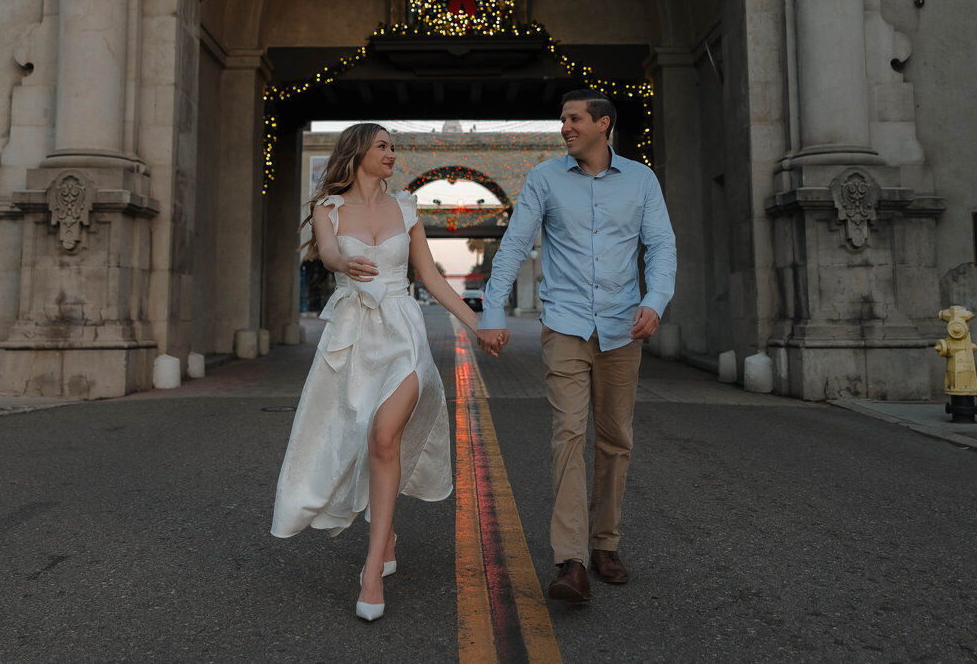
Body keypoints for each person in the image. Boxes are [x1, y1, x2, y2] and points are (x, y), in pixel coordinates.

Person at [271, 122, 500, 622]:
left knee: (382, 436)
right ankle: (387, 533)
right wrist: (343, 264)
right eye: (383, 146)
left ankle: (373, 566)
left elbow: (432, 277)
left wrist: (479, 325)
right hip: (354, 337)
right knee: (366, 439)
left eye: (393, 147)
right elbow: (330, 252)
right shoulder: (327, 208)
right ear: (357, 153)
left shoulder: (407, 208)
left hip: (403, 332)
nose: (392, 154)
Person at [477, 89, 676, 603]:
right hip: (565, 324)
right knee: (568, 433)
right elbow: (516, 243)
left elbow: (660, 245)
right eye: (563, 119)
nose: (564, 127)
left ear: (602, 124)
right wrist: (493, 313)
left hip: (622, 328)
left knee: (615, 439)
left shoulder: (641, 180)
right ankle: (571, 560)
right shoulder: (545, 178)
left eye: (573, 119)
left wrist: (654, 301)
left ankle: (606, 543)